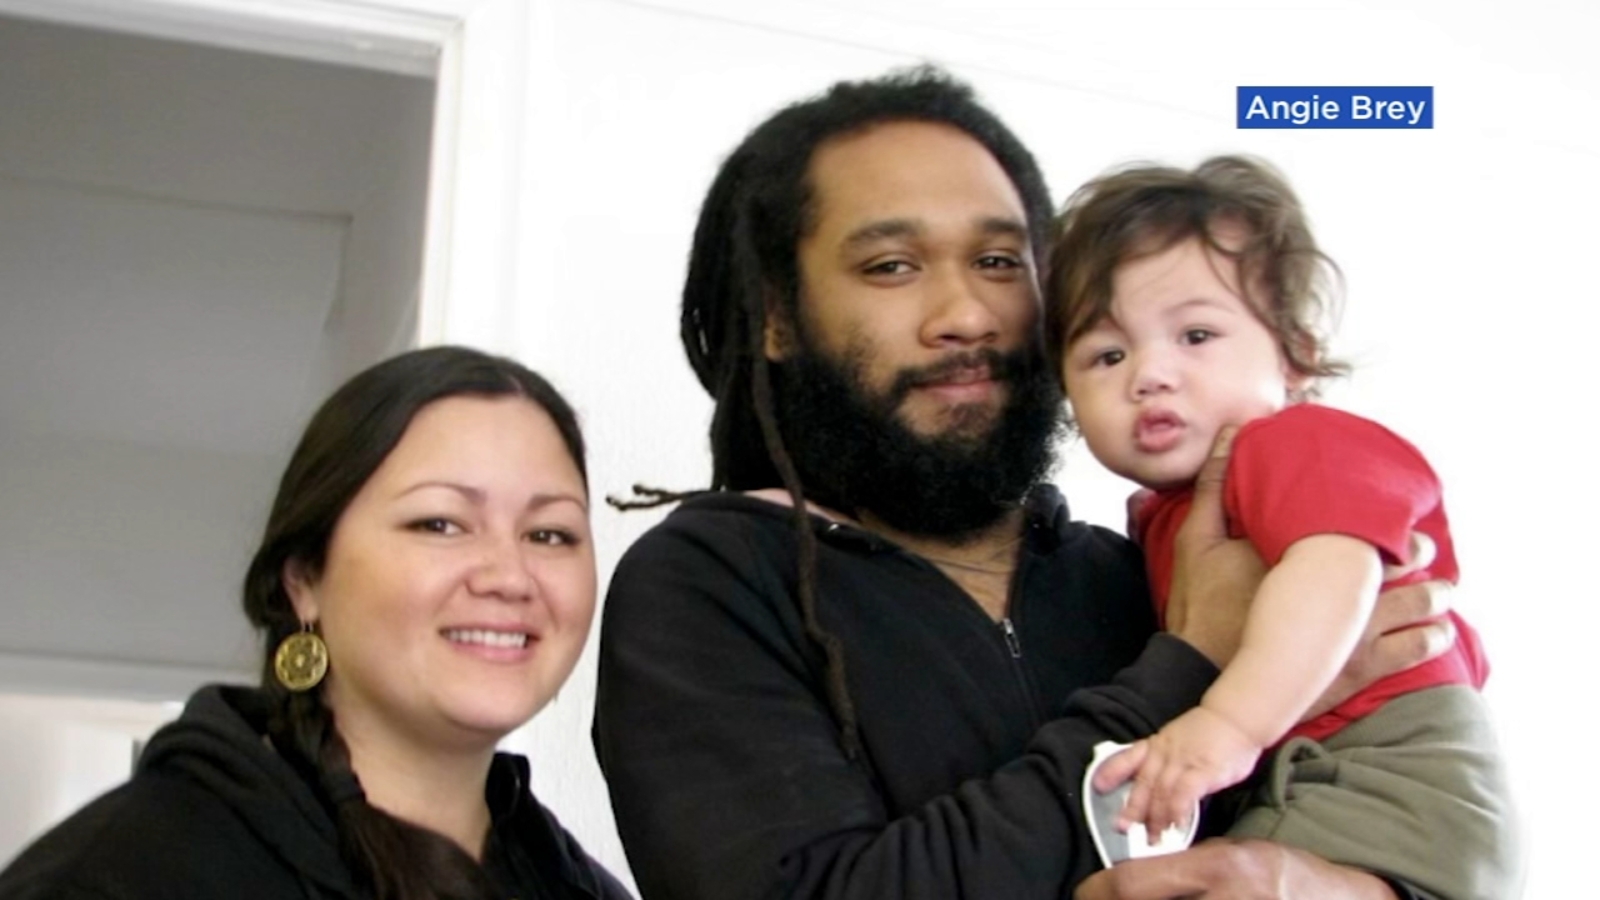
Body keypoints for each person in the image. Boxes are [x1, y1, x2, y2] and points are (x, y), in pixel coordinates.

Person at [592, 66, 1457, 900]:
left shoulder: (1143, 574)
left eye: (1002, 261)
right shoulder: (712, 583)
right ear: (777, 319)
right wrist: (1189, 668)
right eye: (892, 265)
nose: (967, 314)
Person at [1049, 155, 1519, 900]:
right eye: (1108, 354)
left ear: (1296, 354)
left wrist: (1229, 726)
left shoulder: (1292, 444)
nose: (1149, 374)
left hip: (1378, 773)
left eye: (1196, 335)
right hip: (1338, 776)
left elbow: (1334, 574)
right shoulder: (1160, 519)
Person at [0, 346, 632, 900]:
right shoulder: (119, 874)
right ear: (304, 579)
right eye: (439, 524)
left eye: (549, 534)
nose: (510, 577)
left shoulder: (575, 886)